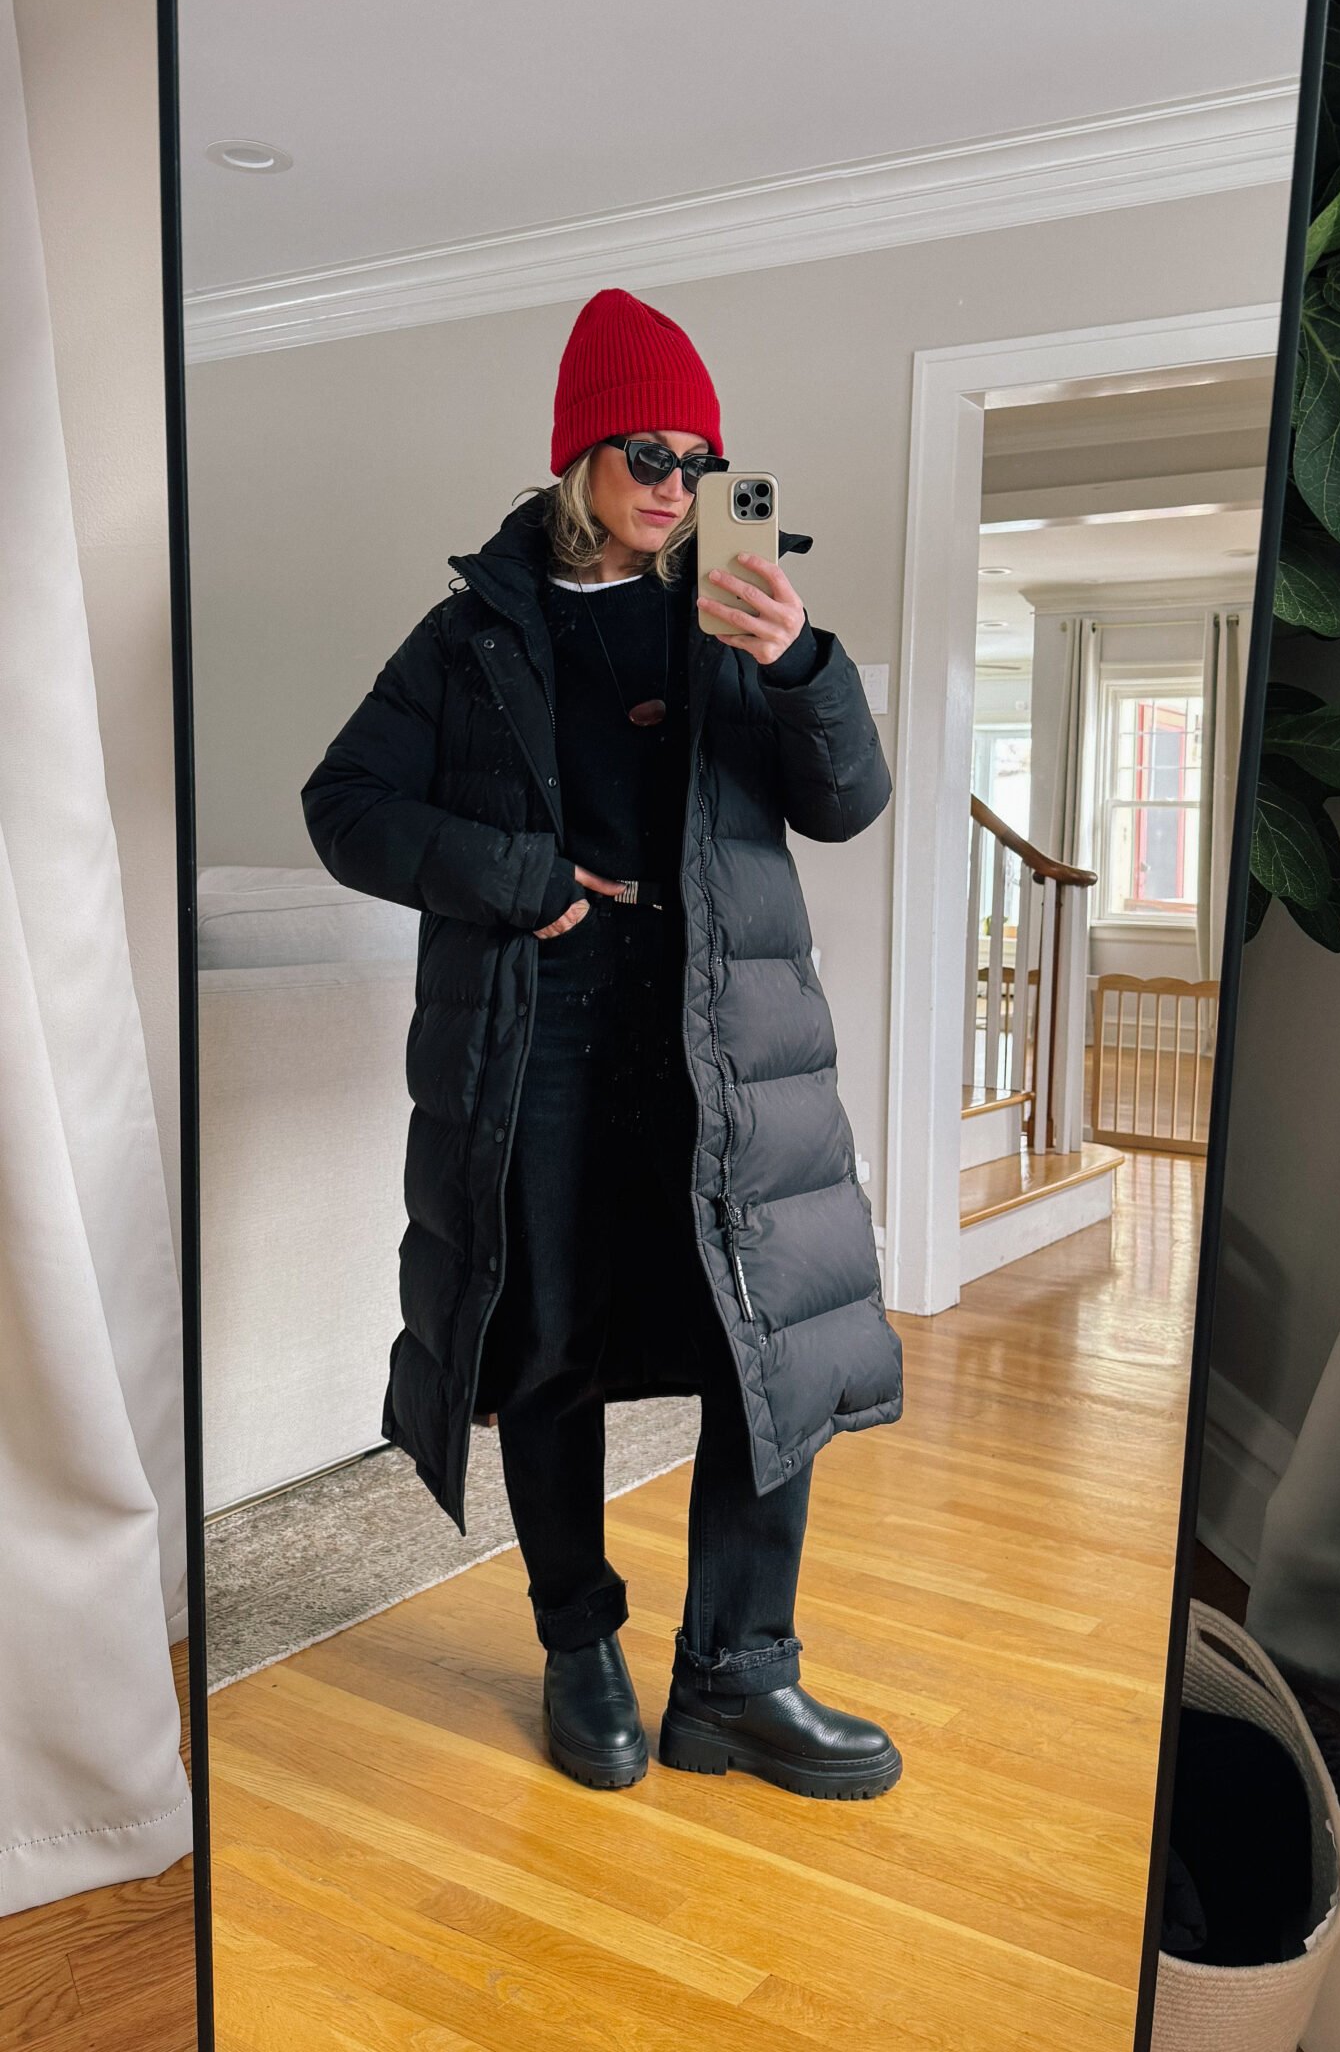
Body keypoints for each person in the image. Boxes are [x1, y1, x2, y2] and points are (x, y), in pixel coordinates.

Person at [302, 286, 904, 1799]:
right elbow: (344, 807)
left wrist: (803, 667)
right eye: (649, 453)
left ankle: (740, 1677)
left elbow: (847, 803)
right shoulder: (471, 635)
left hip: (725, 1028)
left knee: (761, 1339)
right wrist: (515, 877)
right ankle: (579, 1645)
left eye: (700, 461)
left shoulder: (735, 616)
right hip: (546, 1028)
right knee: (549, 1340)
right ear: (580, 455)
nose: (676, 487)